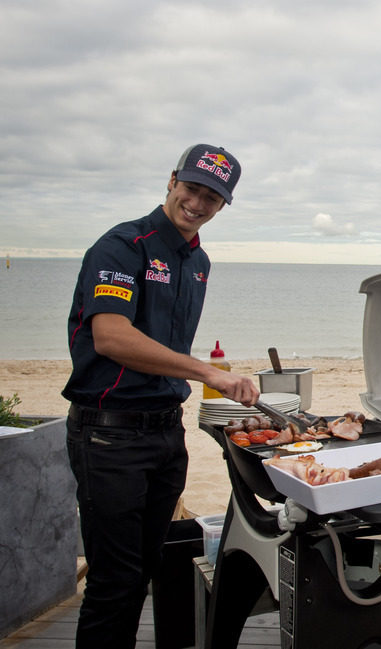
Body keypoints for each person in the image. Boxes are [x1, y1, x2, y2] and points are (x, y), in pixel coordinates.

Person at [63, 144, 261, 649]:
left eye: (212, 198)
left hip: (164, 433)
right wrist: (206, 374)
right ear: (172, 181)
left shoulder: (198, 261)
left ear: (223, 205)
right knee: (114, 582)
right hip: (109, 435)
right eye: (191, 188)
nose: (197, 203)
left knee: (147, 571)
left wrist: (197, 376)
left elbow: (164, 344)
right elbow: (111, 336)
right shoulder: (122, 246)